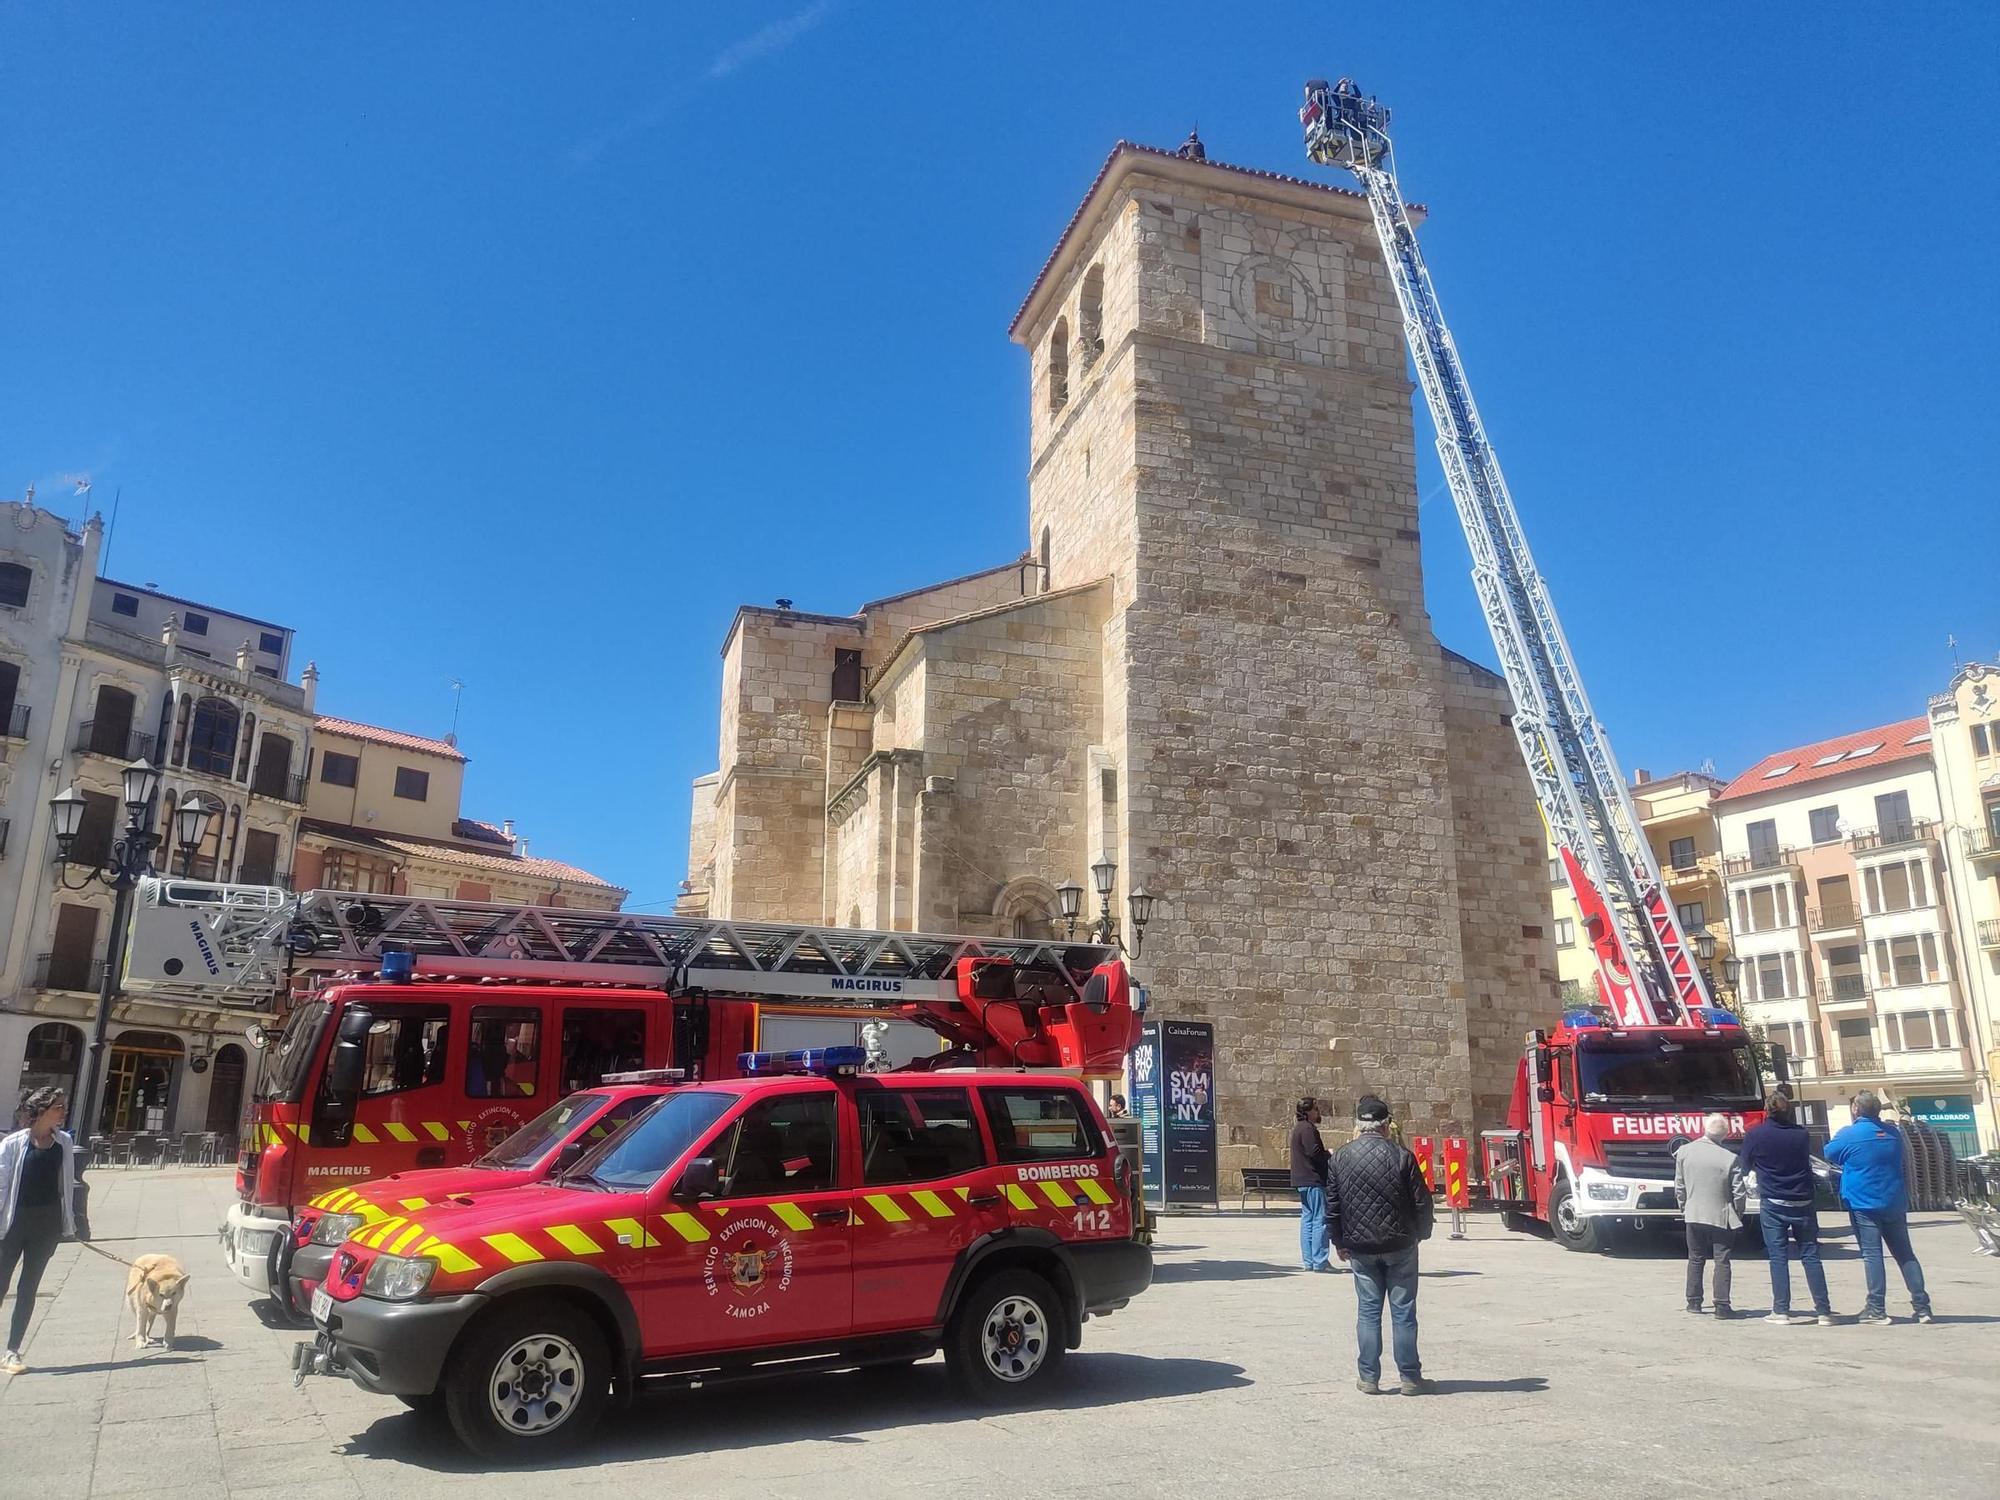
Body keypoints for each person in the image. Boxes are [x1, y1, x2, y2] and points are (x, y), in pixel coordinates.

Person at [1324, 1095, 1434, 1394]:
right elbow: (1421, 1201)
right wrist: (1422, 1233)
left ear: (1358, 1126)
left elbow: (1332, 1206)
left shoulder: (1340, 1158)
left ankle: (1369, 1377)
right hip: (1400, 1244)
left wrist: (1338, 1241)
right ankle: (1410, 1377)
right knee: (1403, 1311)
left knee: (1368, 1312)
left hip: (1360, 1247)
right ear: (1387, 1126)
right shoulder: (1403, 1156)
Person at [1822, 1091, 1934, 1325]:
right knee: (1905, 1254)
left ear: (1856, 1110)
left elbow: (1829, 1153)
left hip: (1863, 1202)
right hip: (1893, 1200)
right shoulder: (1893, 1134)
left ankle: (1876, 1307)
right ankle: (1922, 1307)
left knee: (1872, 1255)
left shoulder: (1849, 1134)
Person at [0, 1087, 87, 1374]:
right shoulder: (12, 1144)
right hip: (12, 1225)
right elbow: (1, 1186)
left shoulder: (63, 1142)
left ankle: (12, 1352)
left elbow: (65, 1186)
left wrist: (69, 1223)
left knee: (28, 1288)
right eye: (57, 1107)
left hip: (46, 1226)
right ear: (40, 1111)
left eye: (63, 1106)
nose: (63, 1112)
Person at [1735, 1090, 1835, 1325]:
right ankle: (1824, 1311)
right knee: (1810, 1255)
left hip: (1773, 1201)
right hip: (1803, 1200)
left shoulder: (1756, 1134)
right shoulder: (1801, 1134)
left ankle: (1781, 1310)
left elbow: (1744, 1164)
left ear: (1767, 1111)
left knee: (1778, 1256)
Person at [1674, 1112, 1745, 1317]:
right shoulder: (1730, 1158)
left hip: (1694, 1213)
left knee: (1695, 1258)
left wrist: (1685, 1207)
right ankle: (1722, 1305)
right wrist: (1737, 1214)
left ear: (1704, 1129)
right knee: (1722, 1259)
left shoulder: (1684, 1152)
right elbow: (1739, 1192)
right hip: (1721, 1215)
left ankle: (1694, 1302)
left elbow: (1680, 1186)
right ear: (1724, 1135)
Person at [1289, 1097, 1331, 1272]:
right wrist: (1328, 1154)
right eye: (1315, 1109)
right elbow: (1314, 1152)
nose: (1317, 1112)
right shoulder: (1307, 1129)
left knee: (1307, 1219)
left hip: (1302, 1179)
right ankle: (1319, 1260)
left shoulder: (1298, 1128)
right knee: (1319, 1219)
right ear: (1307, 1112)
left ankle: (1309, 1261)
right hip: (1313, 1179)